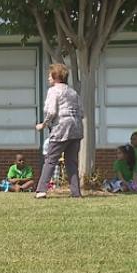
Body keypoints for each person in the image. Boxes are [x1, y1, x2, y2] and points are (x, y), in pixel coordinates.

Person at [35, 63, 83, 199]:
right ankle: (76, 192)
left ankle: (41, 190)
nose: (48, 78)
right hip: (76, 128)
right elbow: (81, 112)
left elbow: (51, 111)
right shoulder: (73, 92)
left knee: (50, 159)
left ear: (56, 76)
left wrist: (43, 125)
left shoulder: (54, 91)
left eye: (50, 75)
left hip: (61, 128)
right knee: (71, 161)